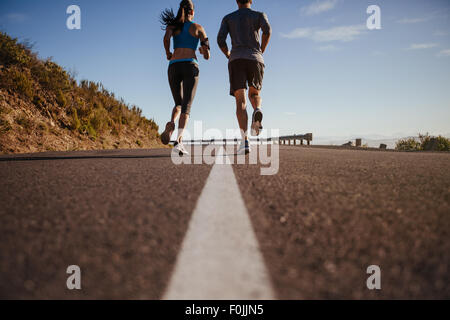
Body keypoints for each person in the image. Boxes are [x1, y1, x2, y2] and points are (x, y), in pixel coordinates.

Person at [217, 0, 271, 154]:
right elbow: (268, 31)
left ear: (236, 1)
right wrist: (261, 49)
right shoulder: (259, 15)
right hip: (256, 58)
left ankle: (245, 141)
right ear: (251, 0)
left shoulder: (228, 18)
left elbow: (220, 39)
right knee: (255, 94)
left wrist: (228, 53)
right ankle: (258, 109)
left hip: (236, 59)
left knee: (240, 101)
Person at [160, 0, 210, 156]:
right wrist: (202, 51)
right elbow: (207, 54)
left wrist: (168, 53)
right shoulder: (198, 28)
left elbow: (166, 38)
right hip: (190, 66)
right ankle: (178, 141)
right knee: (186, 106)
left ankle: (172, 124)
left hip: (173, 66)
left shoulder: (173, 26)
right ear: (193, 12)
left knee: (178, 103)